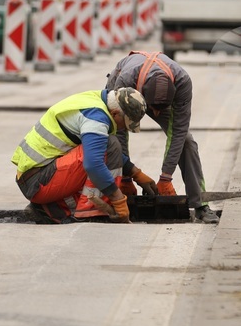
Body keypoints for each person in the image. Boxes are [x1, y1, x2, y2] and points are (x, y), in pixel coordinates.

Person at [105, 51, 220, 224]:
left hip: (154, 92)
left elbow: (179, 131)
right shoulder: (125, 81)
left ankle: (200, 204)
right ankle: (113, 195)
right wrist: (127, 175)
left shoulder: (183, 82)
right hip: (128, 92)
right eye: (153, 108)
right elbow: (120, 132)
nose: (156, 113)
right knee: (111, 138)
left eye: (161, 109)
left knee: (187, 142)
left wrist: (166, 177)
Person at [12, 87, 152, 224]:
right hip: (39, 182)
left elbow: (98, 148)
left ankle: (52, 208)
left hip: (34, 178)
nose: (123, 129)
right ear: (115, 113)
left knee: (104, 149)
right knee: (109, 147)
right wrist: (118, 199)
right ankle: (90, 212)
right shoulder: (96, 117)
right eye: (125, 124)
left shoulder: (95, 100)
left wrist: (136, 173)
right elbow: (93, 165)